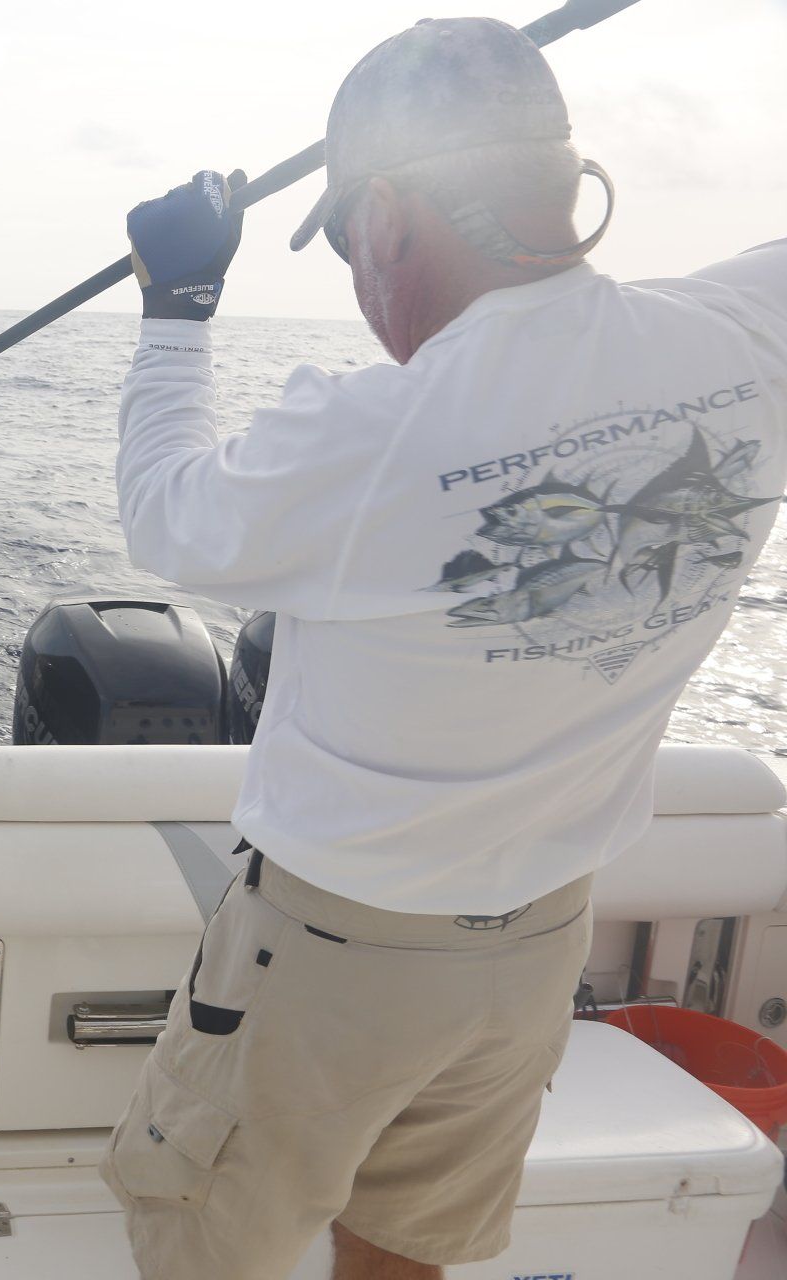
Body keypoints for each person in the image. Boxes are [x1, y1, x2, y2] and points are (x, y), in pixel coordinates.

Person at [100, 16, 786, 1280]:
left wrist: (178, 306)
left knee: (209, 1251)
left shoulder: (372, 436)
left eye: (354, 239)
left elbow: (165, 512)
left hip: (330, 959)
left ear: (393, 220)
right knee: (409, 1249)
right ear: (569, 187)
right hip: (534, 950)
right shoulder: (747, 340)